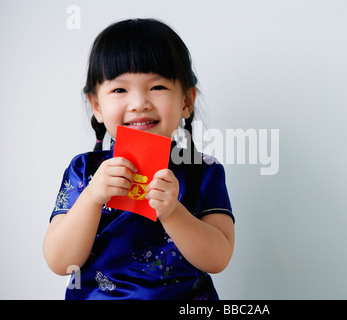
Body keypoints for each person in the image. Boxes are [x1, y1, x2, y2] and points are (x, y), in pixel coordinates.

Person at [43, 18, 234, 300]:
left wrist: (173, 212)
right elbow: (60, 261)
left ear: (186, 101)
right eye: (120, 90)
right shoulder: (84, 170)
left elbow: (218, 258)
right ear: (97, 105)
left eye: (157, 87)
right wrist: (94, 196)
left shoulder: (203, 171)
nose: (139, 103)